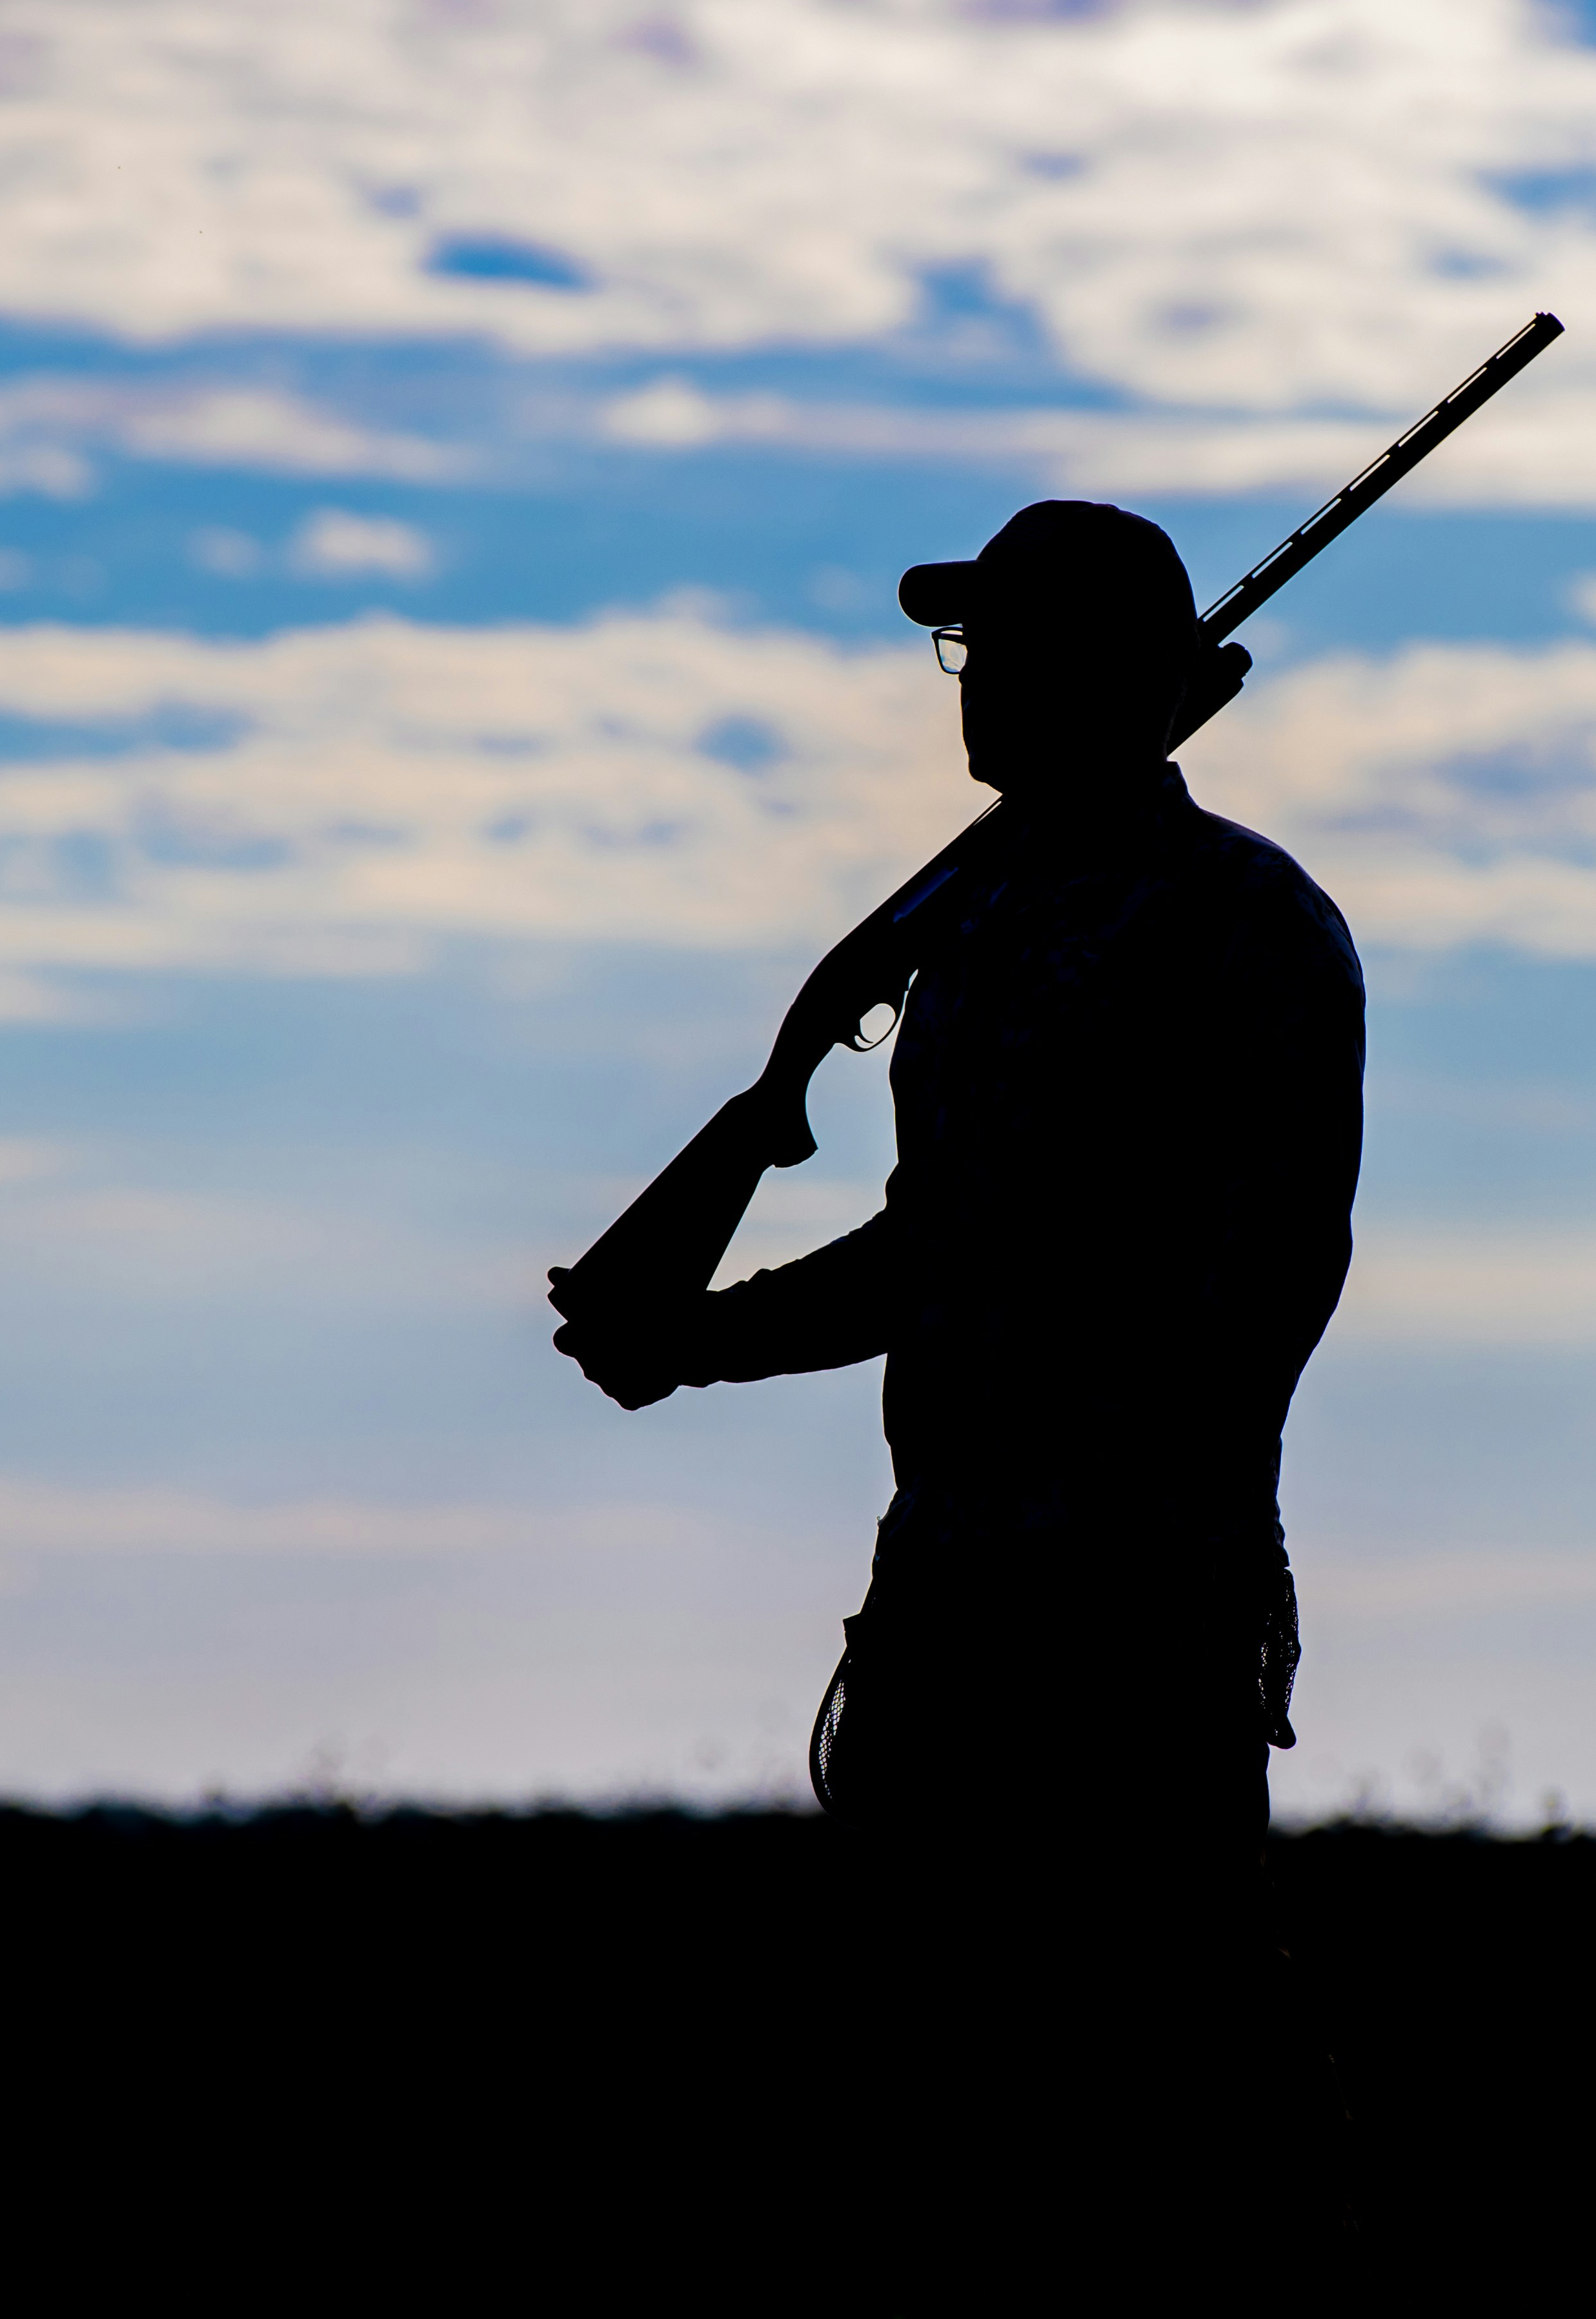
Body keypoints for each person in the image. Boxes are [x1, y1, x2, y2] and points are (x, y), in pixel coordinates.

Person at [553, 499, 1365, 2271]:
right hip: (950, 1589)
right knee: (936, 2099)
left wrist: (705, 1333)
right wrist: (699, 1323)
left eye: (1023, 651)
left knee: (1179, 2086)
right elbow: (941, 1244)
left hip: (1132, 1600)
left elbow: (1247, 1282)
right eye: (972, 647)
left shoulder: (1246, 927)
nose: (983, 685)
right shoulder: (980, 927)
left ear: (1149, 690)